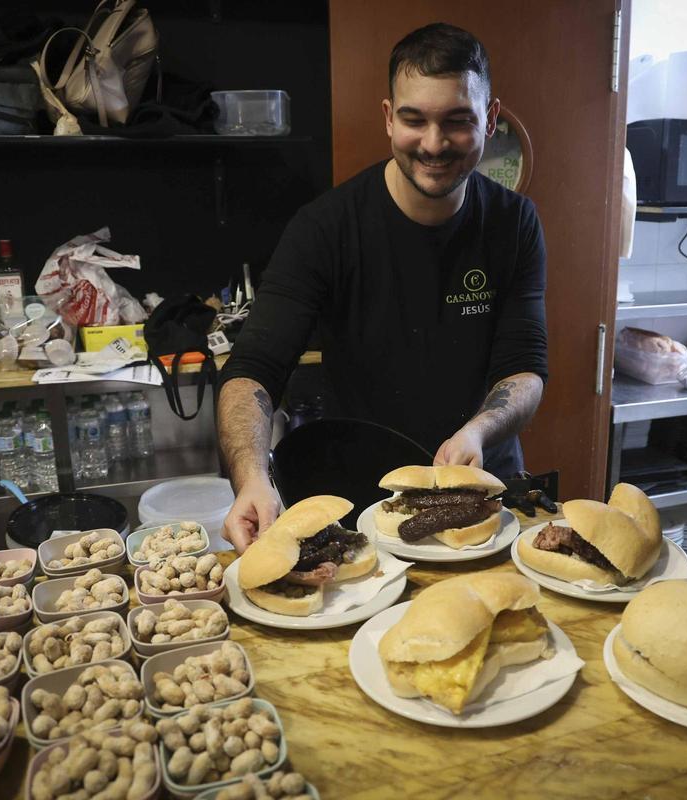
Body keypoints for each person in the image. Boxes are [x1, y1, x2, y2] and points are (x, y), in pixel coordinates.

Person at [217, 22, 548, 553]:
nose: (434, 144)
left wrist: (479, 430)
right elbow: (253, 368)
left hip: (480, 489)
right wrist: (251, 477)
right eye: (414, 120)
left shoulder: (514, 223)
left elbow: (524, 367)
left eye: (457, 121)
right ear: (389, 118)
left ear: (489, 119)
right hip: (362, 496)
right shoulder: (324, 228)